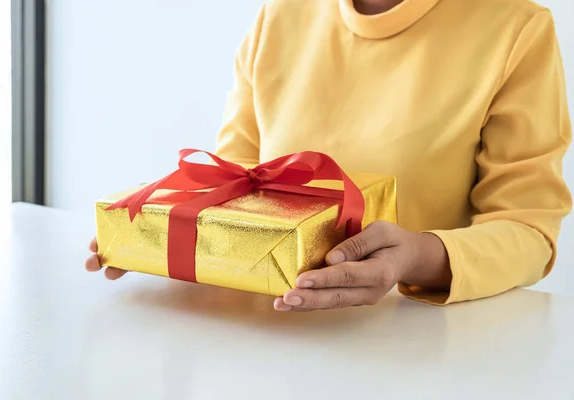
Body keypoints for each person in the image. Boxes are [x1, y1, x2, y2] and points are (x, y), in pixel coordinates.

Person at [86, 0, 572, 311]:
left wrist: (416, 258)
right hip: (268, 337)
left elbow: (530, 231)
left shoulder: (516, 27)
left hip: (420, 348)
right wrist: (159, 237)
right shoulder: (280, 15)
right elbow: (234, 183)